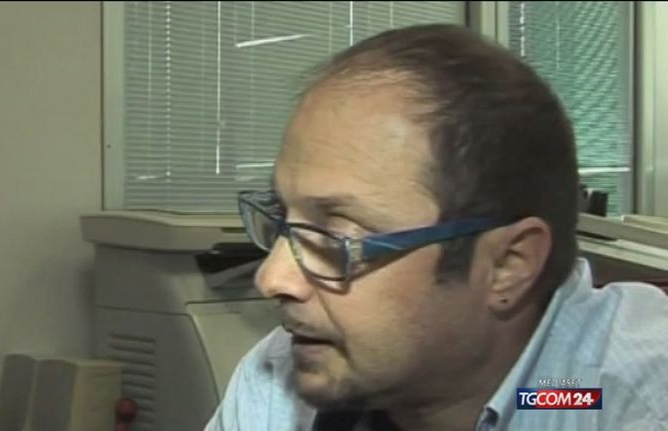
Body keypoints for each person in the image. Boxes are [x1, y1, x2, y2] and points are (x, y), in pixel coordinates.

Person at [205, 24, 668, 431]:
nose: (272, 278)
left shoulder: (613, 399)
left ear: (508, 265)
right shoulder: (280, 379)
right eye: (282, 215)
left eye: (338, 237)